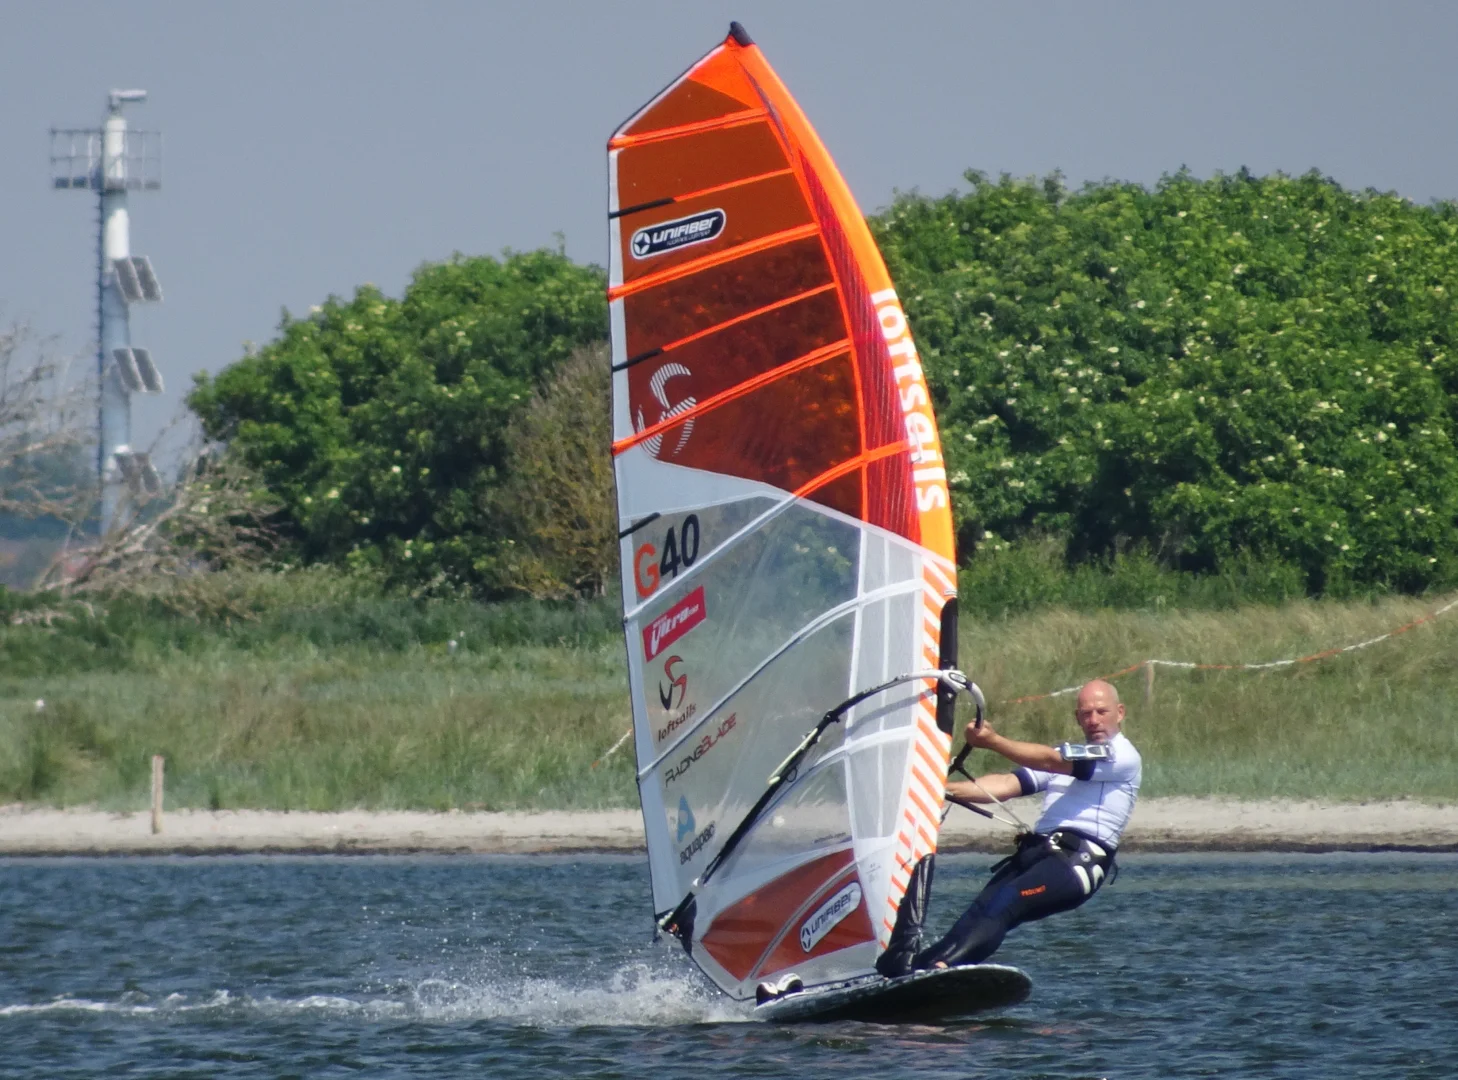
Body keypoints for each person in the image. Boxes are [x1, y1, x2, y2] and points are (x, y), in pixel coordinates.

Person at [877, 679, 1142, 976]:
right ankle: (912, 971)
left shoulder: (1122, 756)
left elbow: (1052, 761)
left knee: (1007, 901)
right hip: (1041, 854)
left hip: (1077, 864)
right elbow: (1006, 784)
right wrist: (939, 791)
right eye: (1086, 713)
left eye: (1101, 712)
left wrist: (993, 741)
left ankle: (941, 969)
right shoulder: (1070, 755)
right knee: (981, 909)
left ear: (1120, 713)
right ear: (1077, 717)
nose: (1093, 720)